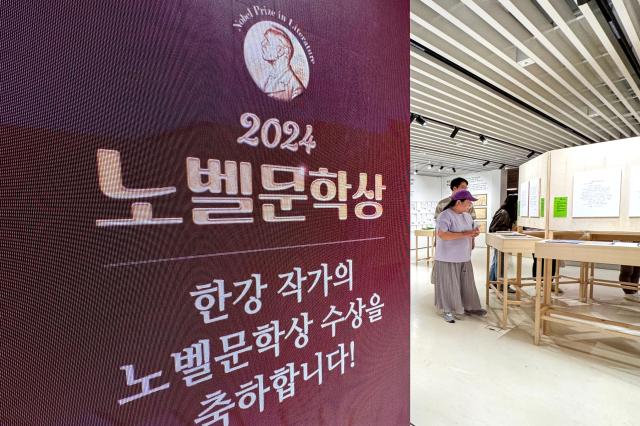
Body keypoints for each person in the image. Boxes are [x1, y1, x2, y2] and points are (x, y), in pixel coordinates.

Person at [431, 189, 485, 323]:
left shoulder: (467, 216)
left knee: (466, 284)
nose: (470, 206)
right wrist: (466, 234)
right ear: (458, 202)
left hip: (464, 256)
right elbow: (442, 234)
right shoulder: (445, 215)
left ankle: (469, 306)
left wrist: (474, 233)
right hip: (447, 257)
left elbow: (471, 230)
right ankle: (447, 310)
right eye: (468, 203)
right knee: (448, 285)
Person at [260, 27, 305, 101]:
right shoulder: (269, 77)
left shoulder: (296, 89)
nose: (262, 44)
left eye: (267, 41)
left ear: (280, 51)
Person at [488, 195, 518, 293]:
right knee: (501, 263)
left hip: (500, 240)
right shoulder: (504, 213)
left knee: (497, 261)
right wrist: (510, 230)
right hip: (500, 241)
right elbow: (493, 228)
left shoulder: (504, 212)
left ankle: (492, 282)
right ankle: (501, 285)